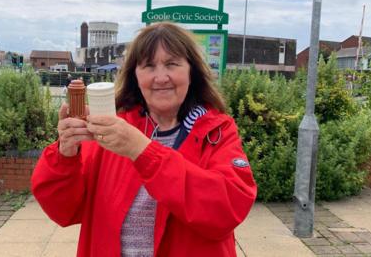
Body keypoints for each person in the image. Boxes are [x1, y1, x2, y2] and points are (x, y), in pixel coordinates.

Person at [31, 22, 257, 257]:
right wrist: (65, 156)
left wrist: (142, 150)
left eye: (171, 64)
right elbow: (64, 211)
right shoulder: (113, 128)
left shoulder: (217, 131)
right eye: (149, 66)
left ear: (192, 71)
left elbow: (227, 210)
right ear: (135, 76)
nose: (161, 77)